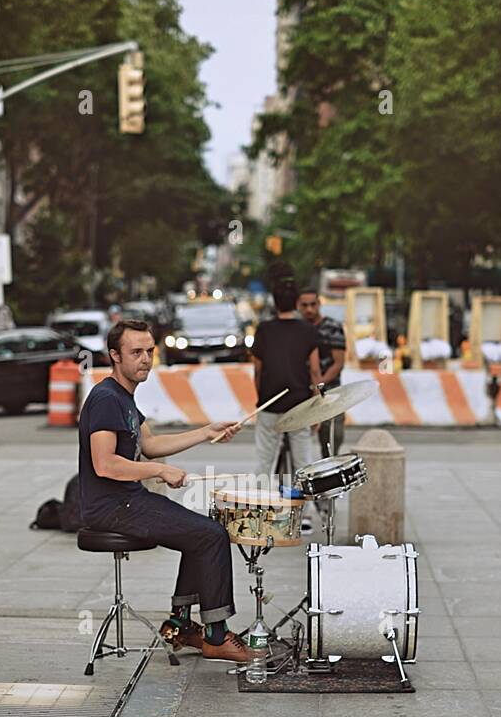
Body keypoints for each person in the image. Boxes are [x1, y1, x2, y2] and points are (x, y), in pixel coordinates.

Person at [78, 318, 250, 663]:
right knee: (211, 535)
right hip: (111, 506)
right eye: (136, 352)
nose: (145, 359)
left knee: (198, 531)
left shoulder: (124, 398)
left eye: (150, 351)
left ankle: (182, 625)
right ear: (115, 355)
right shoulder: (105, 399)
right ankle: (215, 635)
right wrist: (160, 471)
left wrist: (206, 431)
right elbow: (105, 464)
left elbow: (151, 444)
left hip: (128, 499)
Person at [251, 264, 321, 485]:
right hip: (299, 405)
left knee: (264, 462)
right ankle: (307, 514)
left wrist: (261, 398)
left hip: (270, 403)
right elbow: (315, 371)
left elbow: (258, 371)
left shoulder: (263, 330)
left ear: (274, 302)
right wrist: (318, 407)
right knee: (304, 463)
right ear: (297, 303)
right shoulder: (308, 331)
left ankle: (259, 509)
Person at [297, 286, 346, 455]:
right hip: (302, 389)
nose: (309, 309)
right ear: (298, 305)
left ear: (319, 304)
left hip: (330, 390)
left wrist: (319, 386)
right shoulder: (296, 328)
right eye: (304, 305)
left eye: (313, 304)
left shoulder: (332, 327)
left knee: (332, 437)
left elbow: (338, 363)